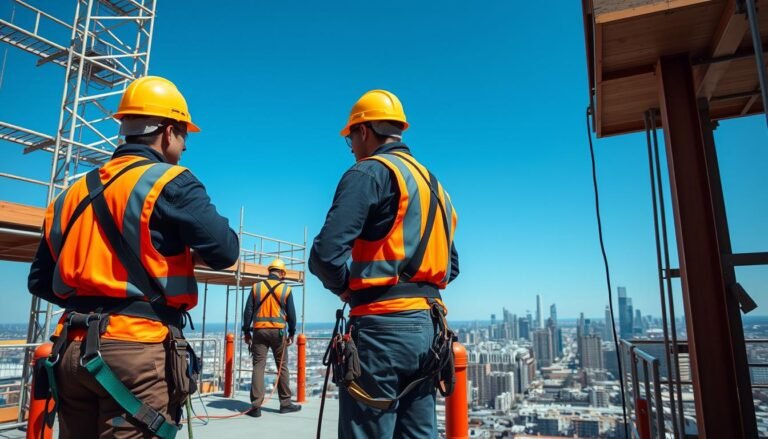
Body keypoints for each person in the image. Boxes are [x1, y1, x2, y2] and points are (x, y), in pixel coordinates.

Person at [27, 76, 239, 438]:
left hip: (72, 349)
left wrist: (94, 297)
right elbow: (225, 250)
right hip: (137, 353)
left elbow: (40, 281)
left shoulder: (70, 194)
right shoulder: (170, 182)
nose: (185, 147)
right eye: (184, 135)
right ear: (169, 131)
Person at [309, 89, 460, 438]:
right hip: (430, 328)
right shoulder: (436, 187)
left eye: (350, 140)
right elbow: (451, 266)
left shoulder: (369, 173)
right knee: (419, 432)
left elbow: (325, 255)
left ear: (362, 131)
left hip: (382, 329)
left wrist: (348, 289)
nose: (352, 149)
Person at [241, 258, 302, 417]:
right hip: (278, 332)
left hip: (259, 332)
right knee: (282, 367)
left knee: (258, 366)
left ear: (269, 271)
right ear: (282, 273)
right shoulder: (286, 289)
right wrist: (292, 333)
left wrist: (247, 332)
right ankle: (285, 403)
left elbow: (248, 312)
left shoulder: (256, 287)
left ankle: (255, 407)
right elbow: (292, 315)